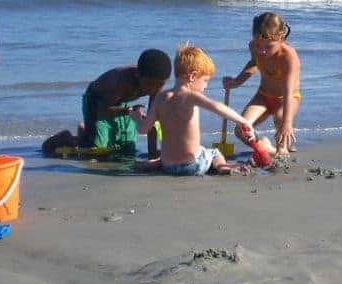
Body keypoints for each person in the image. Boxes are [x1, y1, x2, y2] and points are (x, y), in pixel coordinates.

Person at [129, 44, 254, 176]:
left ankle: (155, 163)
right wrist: (243, 122)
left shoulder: (160, 98)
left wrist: (136, 117)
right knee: (213, 152)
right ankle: (222, 167)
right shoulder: (190, 97)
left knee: (170, 153)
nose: (206, 86)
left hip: (168, 166)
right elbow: (217, 107)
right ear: (193, 76)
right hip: (191, 166)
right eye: (205, 80)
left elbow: (142, 129)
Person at [42, 49, 171, 158]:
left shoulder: (156, 84)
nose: (153, 89)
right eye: (149, 85)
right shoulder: (121, 82)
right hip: (97, 102)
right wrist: (129, 112)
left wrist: (152, 153)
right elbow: (103, 112)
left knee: (126, 150)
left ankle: (86, 132)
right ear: (138, 74)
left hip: (122, 103)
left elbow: (151, 122)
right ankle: (67, 138)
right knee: (94, 152)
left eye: (159, 85)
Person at [223, 12, 301, 156]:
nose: (262, 50)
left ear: (281, 39)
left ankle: (282, 149)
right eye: (258, 44)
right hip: (263, 96)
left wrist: (287, 123)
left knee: (280, 118)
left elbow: (289, 92)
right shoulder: (254, 46)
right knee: (241, 129)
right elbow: (253, 64)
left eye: (269, 46)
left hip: (286, 99)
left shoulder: (289, 57)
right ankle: (264, 146)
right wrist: (236, 82)